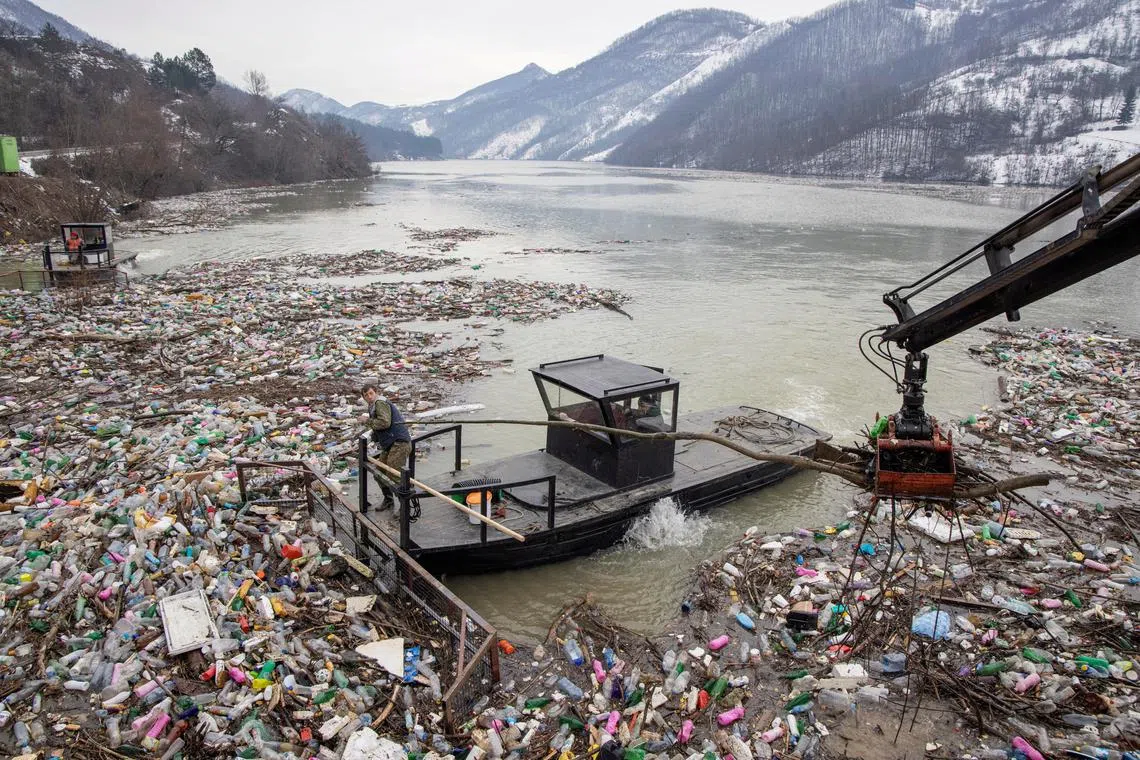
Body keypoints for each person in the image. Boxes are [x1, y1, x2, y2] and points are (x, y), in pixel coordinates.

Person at [358, 384, 412, 510]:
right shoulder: (372, 406)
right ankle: (388, 500)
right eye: (366, 395)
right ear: (363, 398)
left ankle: (405, 508)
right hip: (390, 443)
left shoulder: (380, 403)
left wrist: (366, 420)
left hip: (399, 443)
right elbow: (379, 426)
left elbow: (384, 423)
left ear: (375, 392)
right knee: (379, 473)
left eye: (371, 393)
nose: (369, 397)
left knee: (394, 474)